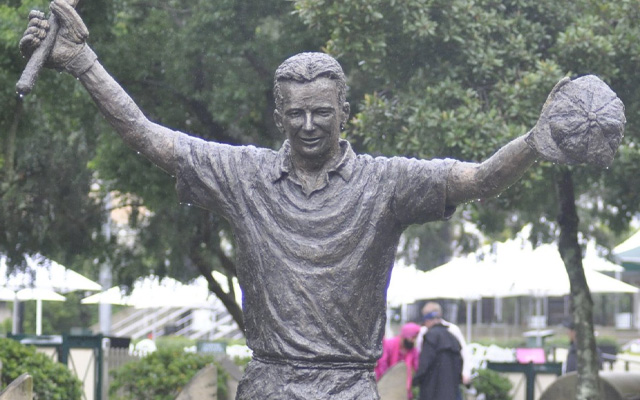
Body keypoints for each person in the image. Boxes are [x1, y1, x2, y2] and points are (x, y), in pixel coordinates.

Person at [18, 2, 583, 398]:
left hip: (348, 387)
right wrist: (84, 63)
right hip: (268, 384)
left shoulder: (386, 184)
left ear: (344, 110)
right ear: (278, 114)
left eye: (322, 112)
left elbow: (478, 179)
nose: (309, 125)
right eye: (296, 113)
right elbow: (148, 136)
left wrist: (534, 144)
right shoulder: (244, 175)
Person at [416, 302, 472, 394]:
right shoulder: (423, 332)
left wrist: (465, 373)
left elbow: (464, 352)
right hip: (432, 379)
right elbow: (420, 354)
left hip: (450, 375)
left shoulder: (452, 329)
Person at [413, 312, 463, 400]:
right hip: (452, 388)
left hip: (433, 389)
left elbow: (426, 362)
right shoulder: (452, 337)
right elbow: (460, 361)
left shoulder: (430, 336)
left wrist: (416, 379)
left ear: (428, 322)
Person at [375, 322, 422, 399]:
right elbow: (382, 363)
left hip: (402, 389)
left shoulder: (413, 351)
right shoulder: (389, 344)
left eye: (415, 338)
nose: (414, 341)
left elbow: (416, 367)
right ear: (405, 335)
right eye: (412, 337)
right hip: (385, 386)